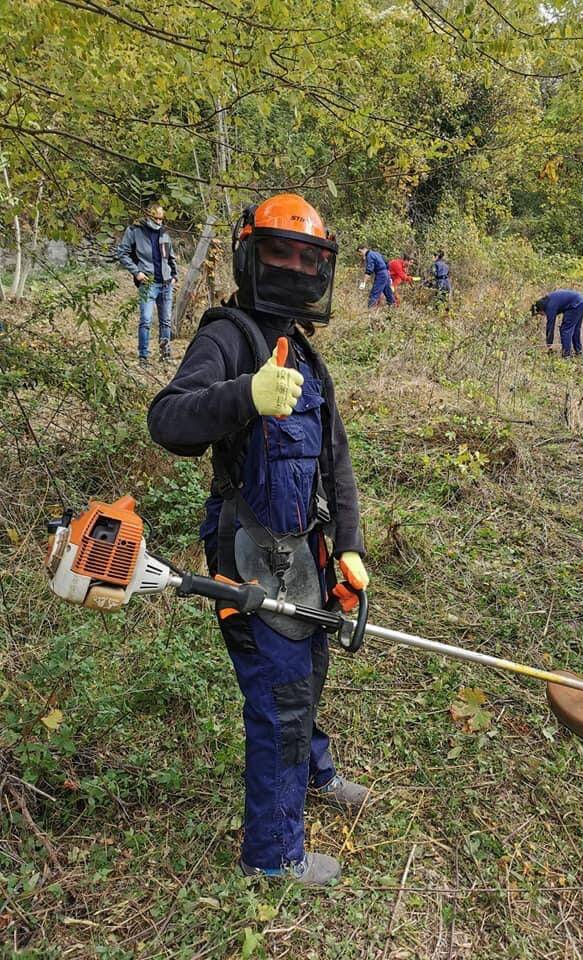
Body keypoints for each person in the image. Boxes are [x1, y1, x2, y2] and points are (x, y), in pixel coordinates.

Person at [147, 194, 370, 887]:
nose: (297, 267)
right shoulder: (228, 335)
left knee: (308, 670)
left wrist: (349, 543)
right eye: (281, 252)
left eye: (309, 256)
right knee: (278, 694)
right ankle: (273, 856)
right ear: (252, 255)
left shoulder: (306, 351)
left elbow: (335, 459)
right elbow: (169, 420)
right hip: (246, 543)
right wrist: (244, 393)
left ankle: (314, 775)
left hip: (305, 547)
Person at [116, 203, 178, 364]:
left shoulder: (164, 233)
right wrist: (136, 272)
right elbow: (122, 253)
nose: (159, 222)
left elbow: (170, 256)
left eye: (161, 218)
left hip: (166, 283)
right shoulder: (135, 231)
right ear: (148, 216)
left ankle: (165, 355)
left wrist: (174, 275)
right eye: (156, 218)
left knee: (166, 321)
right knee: (146, 320)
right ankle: (143, 356)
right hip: (148, 283)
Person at [531, 289, 583, 358]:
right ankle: (579, 352)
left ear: (541, 310)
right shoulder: (548, 300)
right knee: (575, 329)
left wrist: (549, 343)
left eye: (540, 313)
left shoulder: (549, 307)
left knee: (565, 330)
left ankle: (566, 355)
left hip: (575, 304)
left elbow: (550, 326)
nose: (542, 315)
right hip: (581, 301)